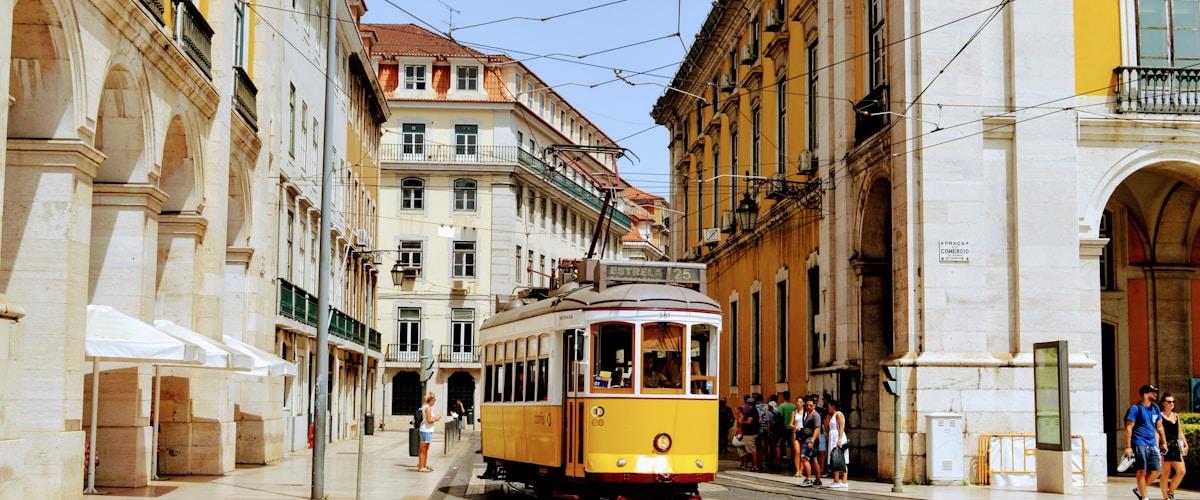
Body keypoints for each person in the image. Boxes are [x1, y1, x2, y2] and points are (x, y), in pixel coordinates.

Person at [1124, 384, 1167, 500]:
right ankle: (1144, 497)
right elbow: (1129, 428)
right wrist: (1128, 447)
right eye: (1152, 392)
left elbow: (1160, 427)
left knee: (1157, 470)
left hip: (1152, 444)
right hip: (1139, 443)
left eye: (1155, 392)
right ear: (1145, 394)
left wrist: (1164, 442)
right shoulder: (1135, 408)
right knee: (1142, 470)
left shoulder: (1156, 408)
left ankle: (1139, 489)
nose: (1155, 394)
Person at [1160, 393, 1187, 500]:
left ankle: (1170, 491)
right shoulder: (1159, 416)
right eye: (1169, 401)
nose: (1172, 403)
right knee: (1166, 473)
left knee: (1181, 471)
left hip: (1175, 446)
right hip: (1164, 446)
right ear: (1163, 403)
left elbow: (1179, 431)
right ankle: (1166, 497)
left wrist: (1185, 444)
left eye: (1173, 401)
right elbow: (1157, 432)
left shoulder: (1176, 416)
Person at [796, 396, 823, 487]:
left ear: (814, 406)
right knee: (814, 459)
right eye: (807, 405)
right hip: (808, 439)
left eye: (810, 405)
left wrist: (812, 440)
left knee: (804, 457)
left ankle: (808, 479)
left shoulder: (815, 415)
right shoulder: (809, 414)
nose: (808, 407)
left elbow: (817, 428)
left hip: (810, 440)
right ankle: (818, 480)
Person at [826, 399, 849, 489]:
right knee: (835, 459)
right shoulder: (833, 415)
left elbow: (841, 427)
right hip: (834, 438)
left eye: (829, 407)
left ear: (833, 406)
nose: (828, 408)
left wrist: (839, 440)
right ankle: (837, 480)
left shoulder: (838, 414)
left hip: (838, 439)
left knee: (840, 459)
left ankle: (842, 481)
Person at [417, 392, 442, 473]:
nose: (434, 402)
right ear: (430, 400)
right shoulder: (428, 408)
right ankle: (421, 467)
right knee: (423, 449)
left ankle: (424, 465)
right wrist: (436, 419)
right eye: (434, 400)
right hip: (426, 430)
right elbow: (429, 420)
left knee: (425, 448)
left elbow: (428, 418)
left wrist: (434, 417)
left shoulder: (426, 407)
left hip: (427, 430)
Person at [740, 395, 761, 471]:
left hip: (750, 433)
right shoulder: (754, 410)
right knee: (753, 449)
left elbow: (749, 422)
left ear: (748, 404)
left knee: (752, 450)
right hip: (752, 432)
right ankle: (754, 465)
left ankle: (754, 465)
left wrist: (742, 421)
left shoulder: (752, 411)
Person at [776, 392, 796, 472]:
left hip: (782, 429)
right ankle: (792, 463)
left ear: (783, 397)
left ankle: (778, 464)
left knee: (779, 446)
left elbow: (778, 417)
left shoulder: (781, 406)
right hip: (791, 429)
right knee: (791, 446)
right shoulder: (794, 406)